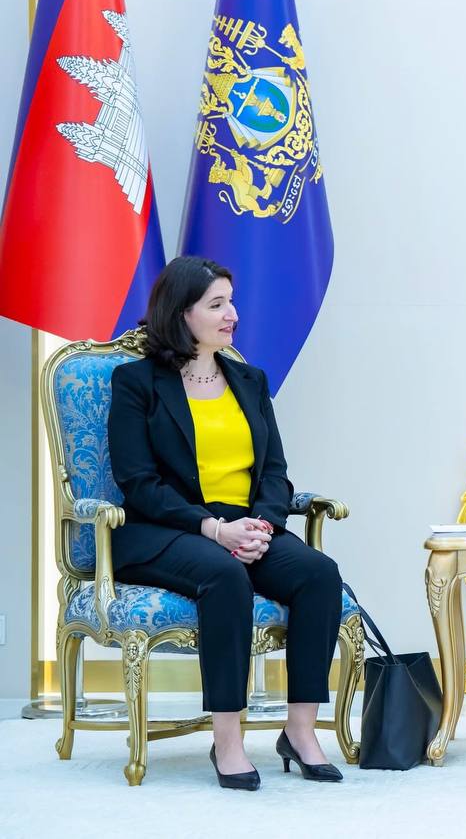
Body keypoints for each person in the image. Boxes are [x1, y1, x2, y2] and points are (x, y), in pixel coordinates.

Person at [108, 256, 344, 790]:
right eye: (217, 304)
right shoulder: (137, 382)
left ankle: (300, 732)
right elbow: (139, 483)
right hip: (166, 529)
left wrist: (262, 525)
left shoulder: (249, 380)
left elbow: (275, 472)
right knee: (223, 574)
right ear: (182, 313)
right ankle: (228, 740)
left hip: (245, 525)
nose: (232, 314)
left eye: (231, 302)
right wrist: (214, 529)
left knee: (319, 573)